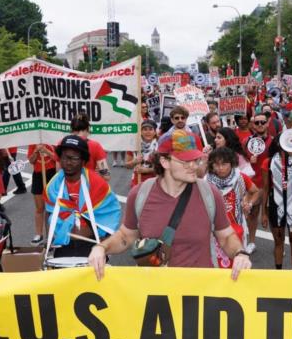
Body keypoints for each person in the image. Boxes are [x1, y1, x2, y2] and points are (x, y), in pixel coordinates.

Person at [87, 128, 251, 281]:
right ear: (164, 162)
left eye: (196, 159)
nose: (194, 166)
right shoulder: (140, 194)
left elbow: (226, 236)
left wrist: (240, 253)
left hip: (199, 293)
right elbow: (125, 236)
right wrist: (102, 248)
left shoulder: (209, 193)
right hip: (156, 294)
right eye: (186, 161)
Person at [44, 135, 121, 258]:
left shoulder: (98, 184)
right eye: (64, 157)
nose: (67, 162)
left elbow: (111, 212)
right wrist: (49, 241)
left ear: (83, 161)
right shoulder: (53, 185)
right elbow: (49, 213)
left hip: (91, 246)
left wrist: (104, 246)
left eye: (73, 158)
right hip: (62, 245)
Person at [206, 147, 260, 268]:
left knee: (238, 264)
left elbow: (255, 192)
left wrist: (248, 203)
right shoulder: (206, 181)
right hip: (214, 232)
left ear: (232, 163)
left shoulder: (240, 178)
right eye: (216, 164)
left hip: (237, 228)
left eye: (224, 164)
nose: (220, 168)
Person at [262, 137, 292, 270]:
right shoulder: (268, 162)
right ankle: (279, 272)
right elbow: (265, 188)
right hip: (275, 204)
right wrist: (264, 212)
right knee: (278, 242)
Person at [243, 112, 274, 248]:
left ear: (268, 123)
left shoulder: (274, 141)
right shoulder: (246, 142)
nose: (260, 125)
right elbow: (240, 162)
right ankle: (251, 242)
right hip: (253, 183)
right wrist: (248, 160)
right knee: (252, 214)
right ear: (253, 124)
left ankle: (278, 244)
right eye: (257, 122)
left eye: (263, 122)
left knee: (273, 217)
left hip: (270, 184)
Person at [28, 143, 57, 245]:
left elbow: (57, 158)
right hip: (38, 175)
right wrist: (36, 151)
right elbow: (31, 160)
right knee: (39, 207)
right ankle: (38, 234)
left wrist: (46, 150)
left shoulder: (52, 141)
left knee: (52, 208)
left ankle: (52, 235)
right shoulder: (33, 143)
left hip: (52, 174)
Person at [125, 120, 158, 187]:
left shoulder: (160, 146)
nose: (148, 132)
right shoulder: (134, 146)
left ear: (155, 132)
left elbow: (165, 168)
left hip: (154, 184)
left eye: (150, 129)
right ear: (141, 132)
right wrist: (134, 162)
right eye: (145, 129)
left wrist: (148, 170)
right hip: (137, 183)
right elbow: (127, 165)